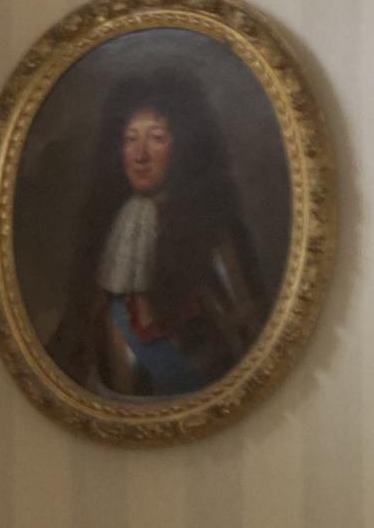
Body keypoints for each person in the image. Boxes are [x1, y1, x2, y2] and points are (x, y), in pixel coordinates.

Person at [39, 83, 261, 399]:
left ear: (182, 146)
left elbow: (246, 340)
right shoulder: (106, 232)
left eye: (157, 138)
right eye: (130, 139)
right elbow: (76, 338)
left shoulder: (214, 235)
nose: (140, 155)